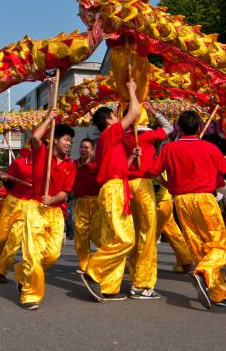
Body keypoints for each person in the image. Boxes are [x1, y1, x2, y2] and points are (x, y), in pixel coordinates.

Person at [151, 110, 226, 309]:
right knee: (219, 243)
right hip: (204, 199)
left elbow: (154, 172)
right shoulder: (209, 148)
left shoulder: (169, 149)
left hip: (181, 201)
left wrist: (168, 186)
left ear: (180, 128)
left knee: (199, 246)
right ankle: (204, 270)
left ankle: (219, 294)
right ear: (200, 127)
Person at [79, 79, 140, 302]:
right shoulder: (110, 132)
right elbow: (134, 112)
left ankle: (109, 287)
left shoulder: (107, 140)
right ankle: (93, 270)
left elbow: (115, 164)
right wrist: (132, 91)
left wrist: (131, 158)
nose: (118, 119)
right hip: (114, 190)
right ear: (108, 120)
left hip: (112, 188)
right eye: (115, 116)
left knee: (113, 239)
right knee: (126, 240)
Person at [14, 110, 76, 310]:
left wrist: (53, 199)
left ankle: (23, 272)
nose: (68, 144)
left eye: (70, 141)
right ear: (55, 140)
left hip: (56, 211)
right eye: (66, 140)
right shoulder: (42, 153)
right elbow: (34, 137)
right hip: (35, 208)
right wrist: (49, 119)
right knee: (33, 253)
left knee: (51, 255)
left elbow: (66, 192)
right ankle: (30, 295)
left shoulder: (70, 165)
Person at [121, 100, 173, 299]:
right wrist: (154, 111)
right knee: (148, 234)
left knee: (134, 234)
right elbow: (168, 128)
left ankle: (135, 274)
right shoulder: (150, 135)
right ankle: (142, 284)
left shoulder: (122, 136)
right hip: (143, 186)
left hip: (126, 187)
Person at [0, 146, 34, 283]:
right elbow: (9, 185)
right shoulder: (19, 163)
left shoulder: (46, 166)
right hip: (12, 203)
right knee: (2, 237)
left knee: (14, 240)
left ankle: (1, 270)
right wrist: (5, 179)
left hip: (29, 206)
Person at [71, 139, 100, 273]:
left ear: (92, 150)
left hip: (97, 202)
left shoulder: (97, 164)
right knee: (80, 234)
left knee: (97, 234)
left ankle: (105, 261)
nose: (83, 150)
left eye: (86, 148)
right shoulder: (74, 164)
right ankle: (84, 265)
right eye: (81, 147)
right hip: (81, 202)